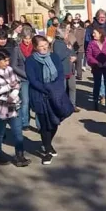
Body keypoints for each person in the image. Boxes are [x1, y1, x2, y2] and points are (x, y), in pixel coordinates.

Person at [25, 35, 73, 165]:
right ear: (35, 48)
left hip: (55, 93)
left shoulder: (54, 57)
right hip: (39, 95)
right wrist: (46, 88)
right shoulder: (30, 61)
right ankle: (47, 151)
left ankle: (48, 143)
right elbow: (33, 80)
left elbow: (60, 74)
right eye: (41, 46)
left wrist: (54, 88)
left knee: (55, 121)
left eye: (45, 45)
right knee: (45, 124)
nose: (44, 48)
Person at [0, 48, 30, 167]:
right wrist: (9, 86)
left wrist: (14, 93)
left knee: (18, 132)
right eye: (4, 61)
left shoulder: (10, 70)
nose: (7, 63)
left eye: (8, 60)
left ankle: (20, 156)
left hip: (13, 106)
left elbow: (17, 83)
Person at [52, 24, 81, 112]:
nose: (68, 33)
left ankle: (72, 105)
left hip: (70, 68)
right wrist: (68, 50)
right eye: (66, 32)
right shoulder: (57, 43)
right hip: (62, 69)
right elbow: (59, 56)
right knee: (63, 89)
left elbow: (72, 51)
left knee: (72, 87)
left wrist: (74, 57)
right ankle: (62, 107)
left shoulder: (67, 41)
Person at [86, 28, 106, 111]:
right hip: (97, 67)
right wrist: (96, 62)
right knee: (97, 84)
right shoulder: (91, 43)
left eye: (95, 33)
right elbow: (89, 55)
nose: (93, 34)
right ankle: (95, 101)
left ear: (100, 34)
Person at [11, 27, 35, 129]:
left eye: (29, 38)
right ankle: (25, 122)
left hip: (34, 78)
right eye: (25, 38)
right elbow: (13, 66)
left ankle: (39, 125)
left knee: (34, 101)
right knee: (25, 101)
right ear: (22, 38)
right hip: (23, 78)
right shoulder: (17, 49)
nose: (27, 41)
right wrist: (25, 74)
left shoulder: (34, 47)